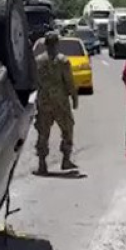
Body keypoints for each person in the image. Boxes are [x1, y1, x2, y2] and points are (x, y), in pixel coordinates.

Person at [34, 31, 79, 174]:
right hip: (60, 102)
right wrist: (74, 98)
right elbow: (70, 82)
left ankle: (42, 164)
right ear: (57, 43)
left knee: (43, 132)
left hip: (44, 101)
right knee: (67, 129)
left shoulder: (38, 61)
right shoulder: (63, 61)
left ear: (46, 44)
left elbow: (35, 81)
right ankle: (66, 159)